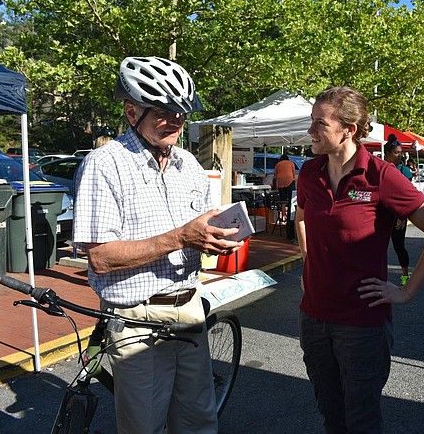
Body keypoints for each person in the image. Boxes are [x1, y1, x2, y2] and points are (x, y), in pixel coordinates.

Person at [72, 56, 244, 434]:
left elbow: (198, 230)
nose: (176, 121)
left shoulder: (188, 164)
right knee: (144, 427)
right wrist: (181, 237)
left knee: (199, 421)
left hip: (189, 309)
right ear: (132, 111)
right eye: (164, 112)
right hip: (137, 319)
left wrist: (215, 241)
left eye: (182, 112)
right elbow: (100, 258)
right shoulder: (105, 164)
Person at [295, 86, 424, 433]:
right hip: (313, 318)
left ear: (349, 130)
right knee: (331, 415)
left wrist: (406, 290)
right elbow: (302, 218)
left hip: (361, 324)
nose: (310, 131)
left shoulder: (380, 175)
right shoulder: (309, 173)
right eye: (312, 122)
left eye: (319, 124)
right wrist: (310, 263)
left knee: (362, 419)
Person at [384, 137, 412, 285]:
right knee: (376, 246)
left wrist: (402, 216)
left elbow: (407, 197)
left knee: (398, 245)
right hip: (381, 215)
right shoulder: (380, 168)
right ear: (388, 153)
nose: (400, 155)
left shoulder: (404, 171)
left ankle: (405, 276)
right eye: (396, 152)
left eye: (401, 152)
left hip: (398, 216)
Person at [274, 153, 296, 222]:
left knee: (283, 200)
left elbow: (276, 175)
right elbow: (293, 173)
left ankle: (283, 216)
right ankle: (290, 216)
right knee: (291, 200)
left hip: (280, 182)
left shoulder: (278, 164)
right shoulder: (291, 163)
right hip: (290, 180)